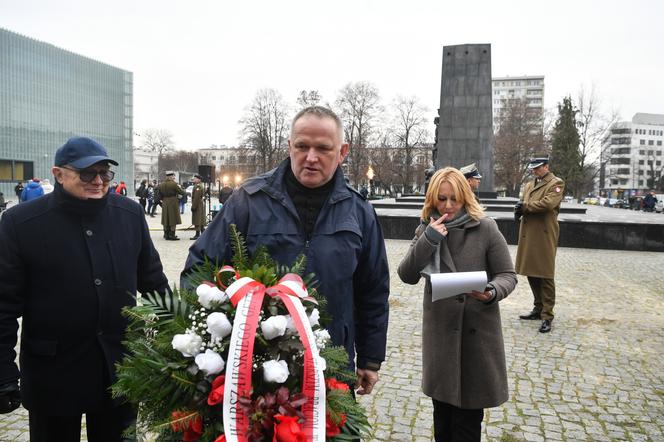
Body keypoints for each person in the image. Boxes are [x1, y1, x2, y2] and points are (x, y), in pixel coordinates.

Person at [183, 105, 390, 395]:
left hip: (331, 362)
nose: (311, 157)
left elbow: (373, 289)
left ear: (342, 152)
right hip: (257, 367)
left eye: (323, 148)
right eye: (302, 146)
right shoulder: (249, 201)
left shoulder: (360, 211)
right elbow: (199, 267)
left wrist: (370, 358)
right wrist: (211, 338)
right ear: (289, 146)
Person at [0, 136, 169, 441]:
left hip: (120, 369)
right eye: (87, 173)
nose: (98, 181)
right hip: (53, 373)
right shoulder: (20, 223)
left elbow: (155, 282)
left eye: (104, 173)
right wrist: (2, 372)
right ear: (58, 174)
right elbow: (3, 304)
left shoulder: (130, 216)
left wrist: (177, 341)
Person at [397, 167, 516, 442]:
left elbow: (507, 275)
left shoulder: (485, 227)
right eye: (441, 199)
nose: (448, 206)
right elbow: (407, 275)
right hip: (442, 337)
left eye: (454, 199)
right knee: (443, 422)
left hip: (476, 338)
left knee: (467, 427)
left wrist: (491, 291)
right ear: (432, 199)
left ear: (465, 196)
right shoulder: (427, 227)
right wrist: (429, 238)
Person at [514, 156, 565, 333]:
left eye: (538, 168)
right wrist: (518, 209)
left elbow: (548, 204)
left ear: (546, 167)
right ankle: (537, 308)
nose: (534, 171)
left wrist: (524, 207)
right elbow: (524, 202)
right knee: (531, 272)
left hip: (544, 234)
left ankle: (547, 315)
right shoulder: (530, 184)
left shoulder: (556, 183)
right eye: (533, 168)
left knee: (545, 274)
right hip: (529, 234)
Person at [158, 171, 185, 240]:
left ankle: (166, 234)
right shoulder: (174, 184)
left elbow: (159, 195)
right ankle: (172, 234)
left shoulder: (161, 184)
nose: (174, 177)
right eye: (173, 176)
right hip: (173, 202)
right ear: (170, 177)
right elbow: (182, 192)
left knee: (166, 218)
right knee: (173, 218)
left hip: (165, 202)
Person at [190, 174, 206, 240]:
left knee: (197, 219)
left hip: (197, 204)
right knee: (200, 219)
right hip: (199, 204)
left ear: (199, 180)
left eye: (195, 178)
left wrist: (193, 206)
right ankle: (203, 233)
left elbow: (196, 198)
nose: (194, 179)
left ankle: (197, 234)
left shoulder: (198, 187)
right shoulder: (198, 186)